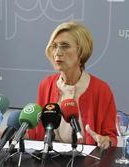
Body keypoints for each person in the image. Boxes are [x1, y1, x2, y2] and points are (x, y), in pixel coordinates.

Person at [27, 21, 117, 149]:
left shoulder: (101, 90)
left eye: (65, 46)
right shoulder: (46, 85)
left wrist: (105, 141)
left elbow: (111, 138)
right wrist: (15, 133)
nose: (57, 52)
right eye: (54, 46)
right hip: (49, 159)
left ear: (81, 51)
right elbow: (38, 132)